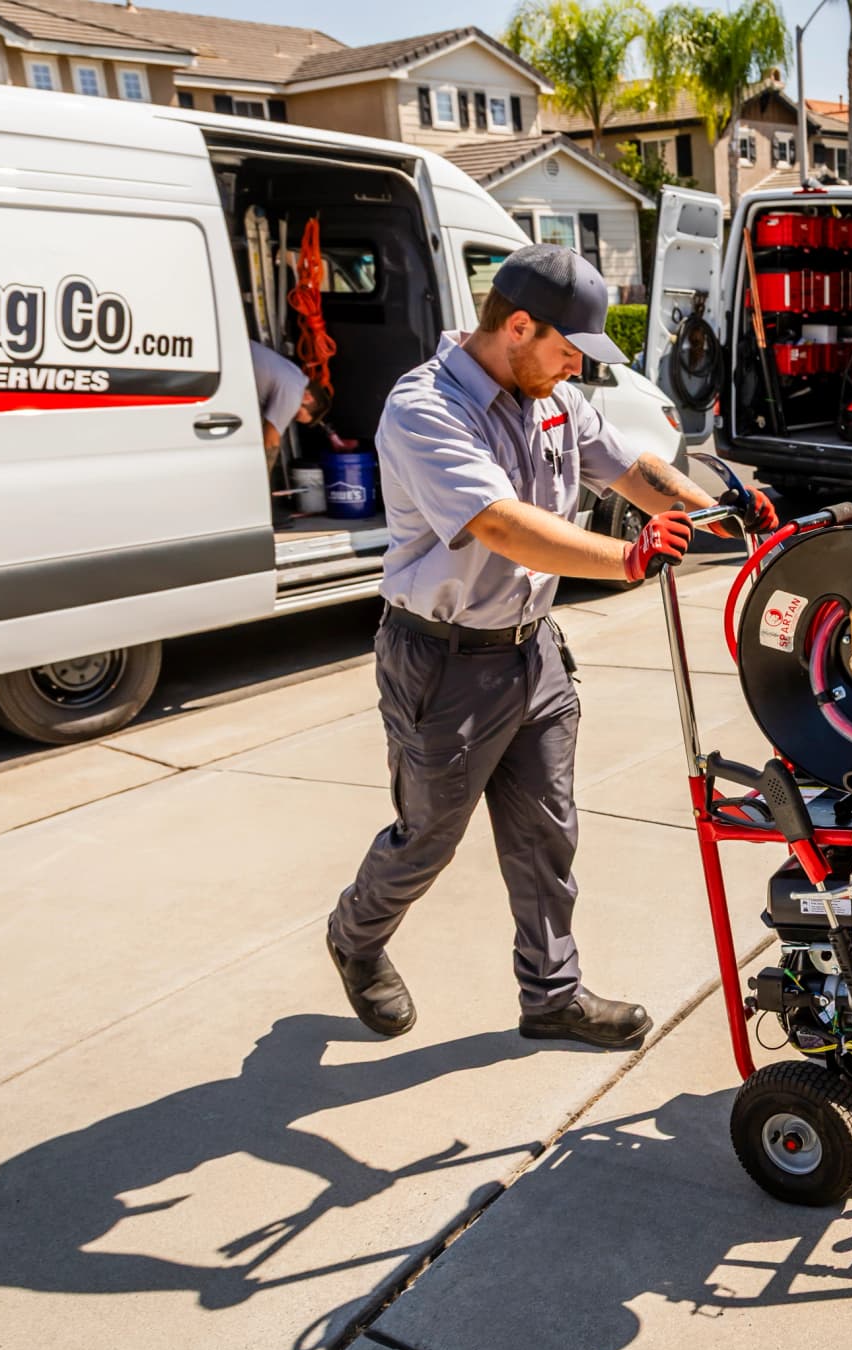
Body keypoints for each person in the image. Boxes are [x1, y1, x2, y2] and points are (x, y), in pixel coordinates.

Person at [325, 244, 776, 1049]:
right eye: (566, 351)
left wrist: (726, 515)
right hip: (441, 660)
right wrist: (625, 559)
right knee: (427, 838)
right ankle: (355, 938)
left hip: (531, 653)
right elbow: (498, 523)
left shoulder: (552, 396)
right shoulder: (426, 407)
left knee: (547, 833)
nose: (574, 368)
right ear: (519, 326)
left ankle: (552, 994)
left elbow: (629, 469)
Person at [250, 339, 307, 470]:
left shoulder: (295, 374)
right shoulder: (294, 393)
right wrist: (264, 479)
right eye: (296, 414)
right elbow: (271, 441)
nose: (289, 416)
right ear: (308, 398)